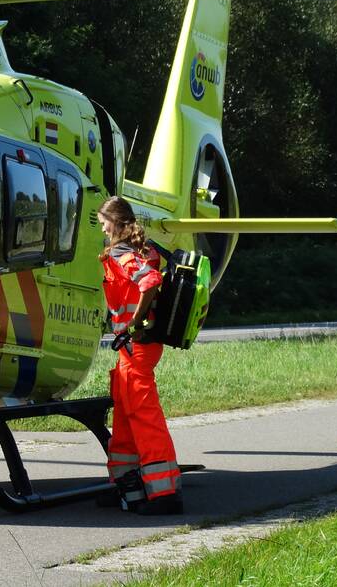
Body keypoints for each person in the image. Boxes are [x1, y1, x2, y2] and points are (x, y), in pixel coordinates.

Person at [96, 195, 183, 515]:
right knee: (125, 413)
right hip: (133, 350)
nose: (103, 229)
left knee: (144, 418)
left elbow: (149, 281)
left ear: (115, 221)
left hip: (137, 346)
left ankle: (164, 493)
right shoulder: (143, 249)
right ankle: (127, 483)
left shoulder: (122, 253)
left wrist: (133, 322)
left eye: (104, 222)